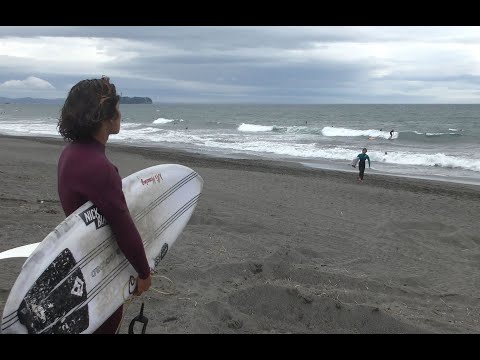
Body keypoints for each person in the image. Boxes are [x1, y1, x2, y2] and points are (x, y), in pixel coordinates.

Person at [57, 76, 152, 334]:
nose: (120, 113)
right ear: (104, 115)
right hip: (99, 269)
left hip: (82, 261)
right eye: (116, 108)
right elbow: (122, 227)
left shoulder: (70, 154)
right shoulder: (100, 168)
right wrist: (143, 272)